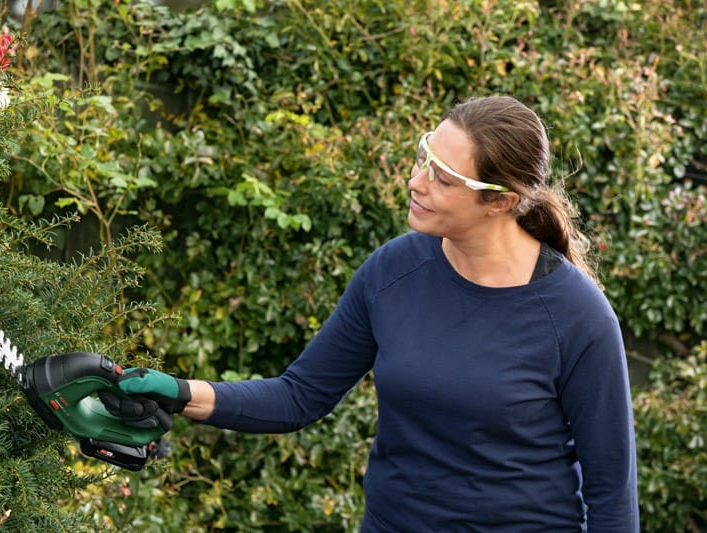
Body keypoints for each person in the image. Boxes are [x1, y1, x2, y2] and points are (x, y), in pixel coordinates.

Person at [102, 95, 640, 531]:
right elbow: (300, 396)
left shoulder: (577, 317)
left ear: (500, 201)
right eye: (423, 156)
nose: (416, 181)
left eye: (444, 178)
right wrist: (178, 391)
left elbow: (612, 495)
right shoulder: (394, 271)